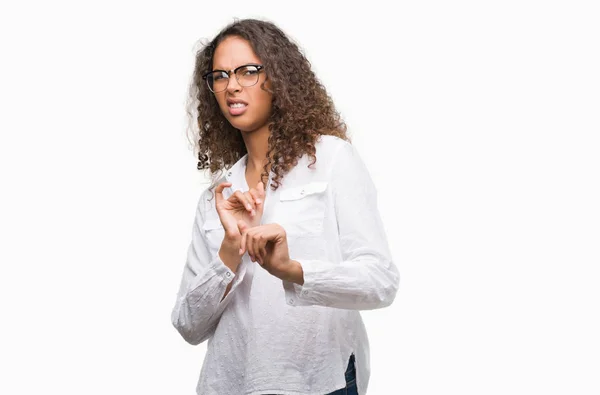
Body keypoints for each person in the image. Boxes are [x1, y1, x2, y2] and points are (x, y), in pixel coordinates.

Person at [171, 18, 400, 395]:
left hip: (320, 383)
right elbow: (187, 324)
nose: (231, 86)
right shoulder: (218, 197)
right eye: (220, 75)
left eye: (247, 71)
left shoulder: (331, 161)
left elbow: (380, 282)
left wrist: (292, 270)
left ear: (276, 78)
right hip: (231, 385)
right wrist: (231, 249)